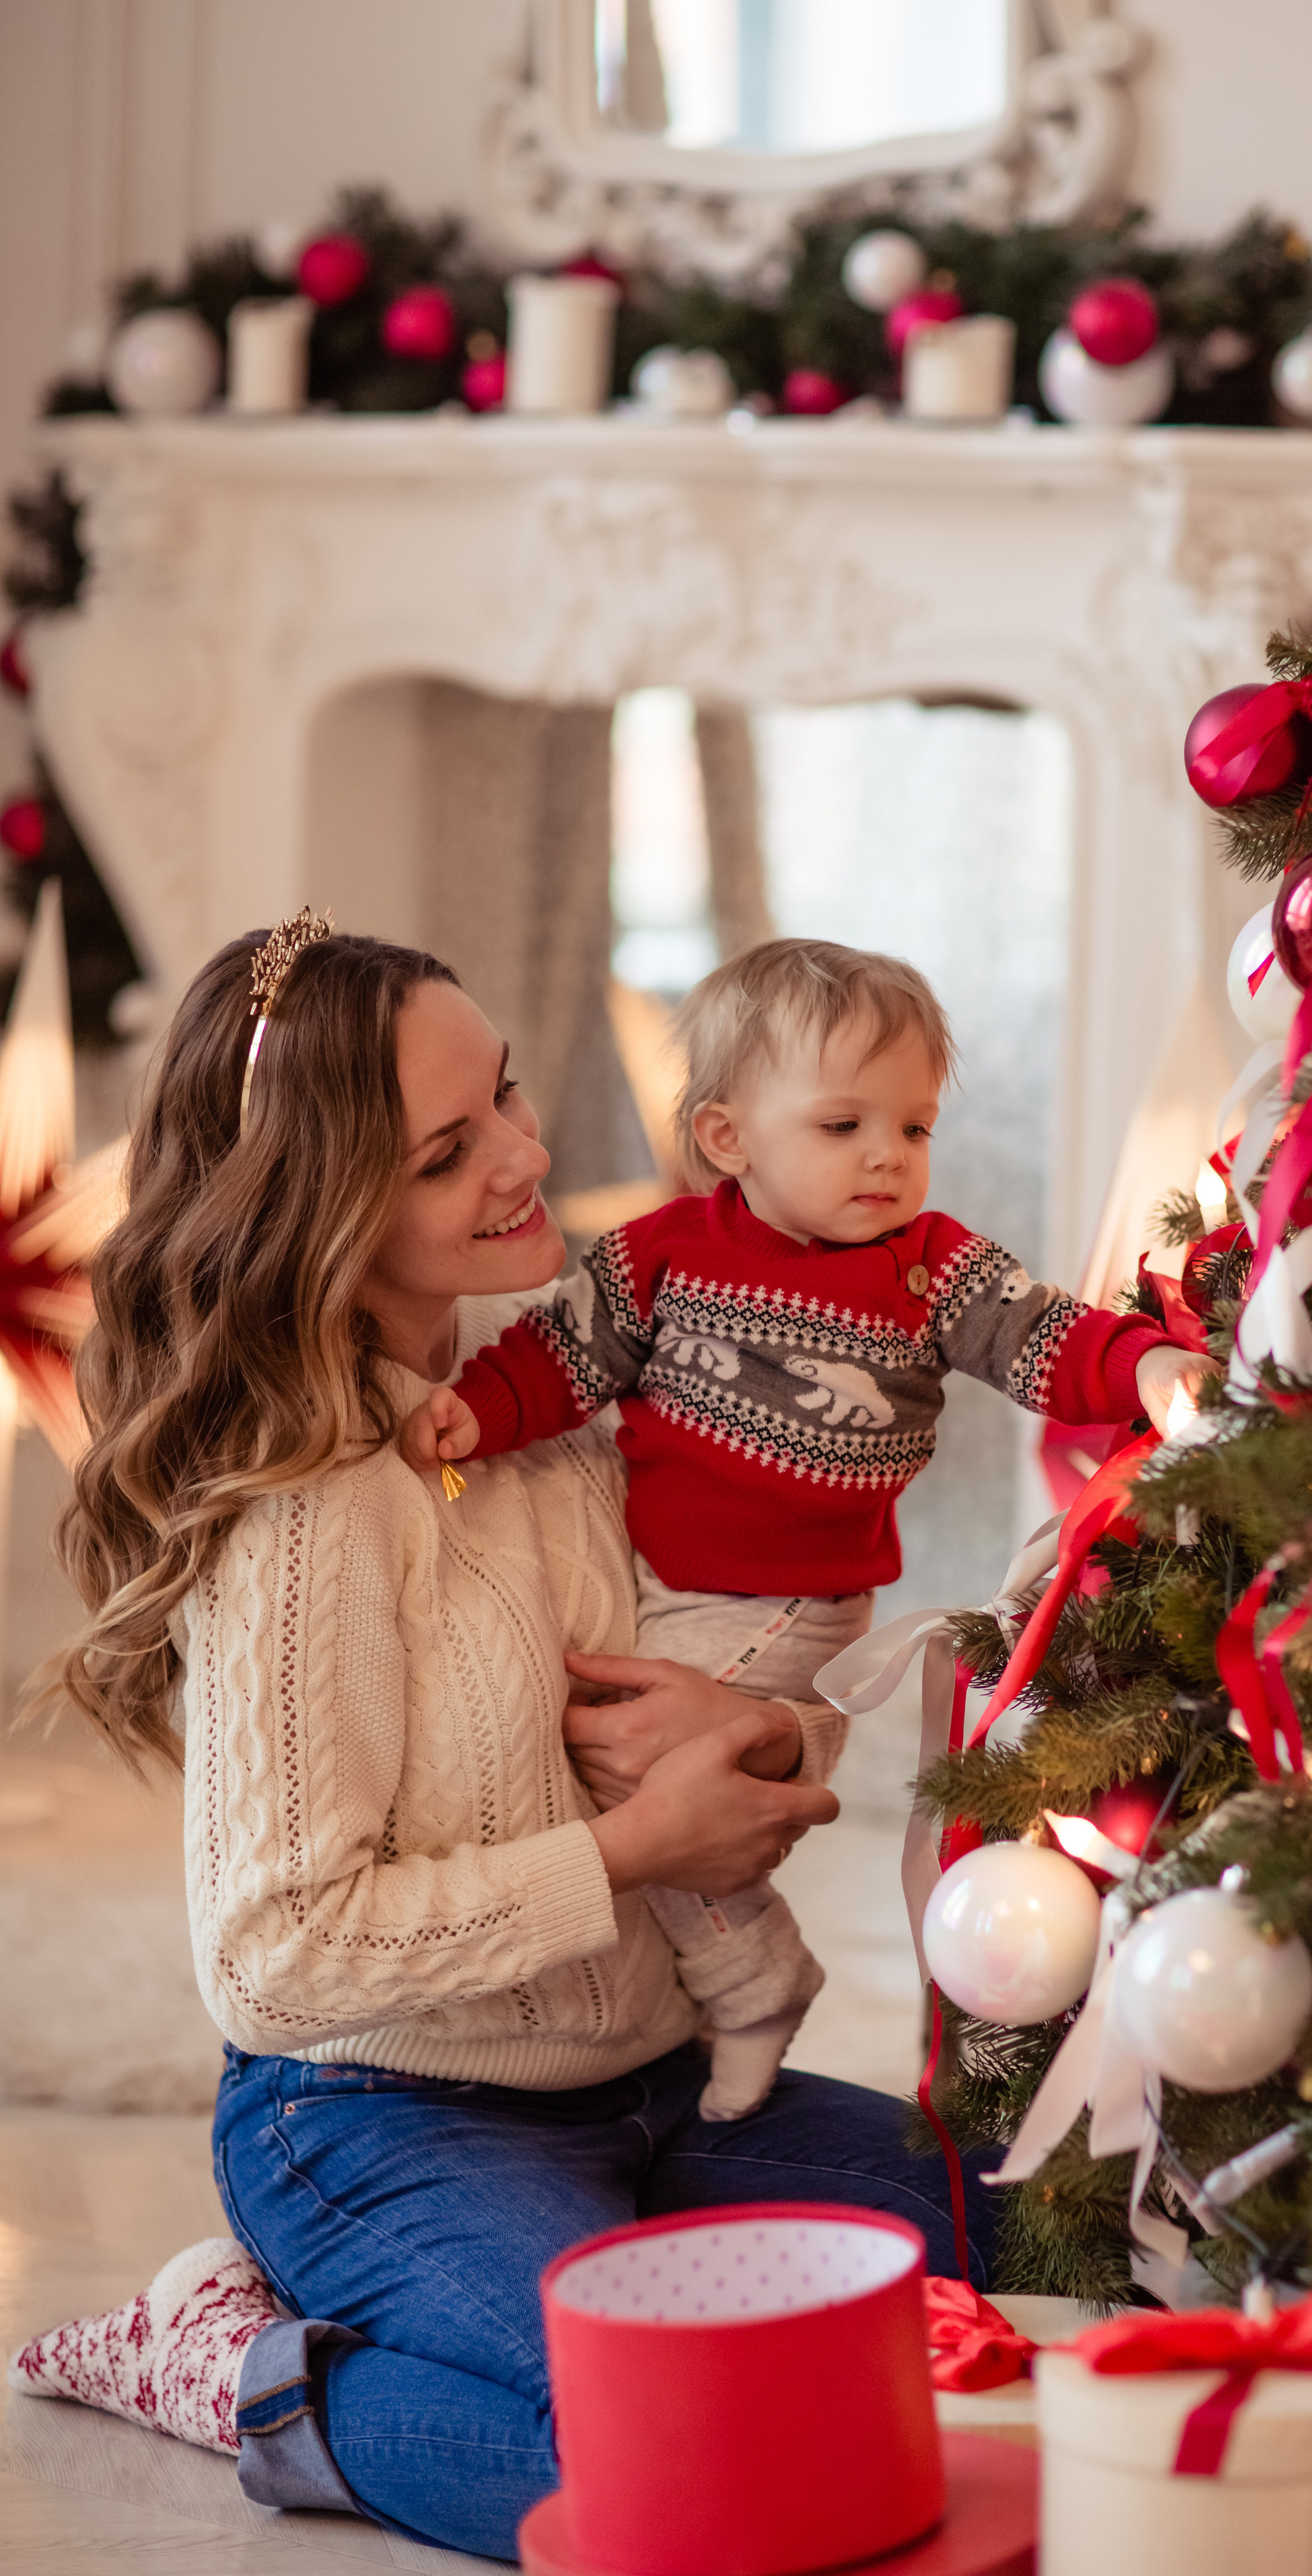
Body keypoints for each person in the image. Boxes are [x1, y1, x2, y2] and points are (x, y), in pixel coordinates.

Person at [7, 920, 1009, 2565]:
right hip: (380, 2121)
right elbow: (275, 1954)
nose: (533, 1161)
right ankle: (251, 2372)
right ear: (323, 1206)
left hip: (655, 2090)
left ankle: (561, 2301)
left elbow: (738, 1669)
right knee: (689, 2459)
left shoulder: (558, 1414)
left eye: (510, 1097)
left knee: (1056, 2244)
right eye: (447, 1151)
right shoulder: (308, 1514)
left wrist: (758, 1729)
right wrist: (633, 1851)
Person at [400, 938, 1205, 2125]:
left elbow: (1047, 1337)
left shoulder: (932, 1272)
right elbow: (558, 1360)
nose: (889, 1156)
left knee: (664, 1786)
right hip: (650, 1575)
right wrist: (476, 1409)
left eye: (914, 1128)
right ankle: (647, 2001)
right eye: (844, 1127)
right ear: (730, 1139)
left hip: (790, 1595)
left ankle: (755, 1981)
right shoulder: (660, 1255)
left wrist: (1143, 1368)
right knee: (584, 1766)